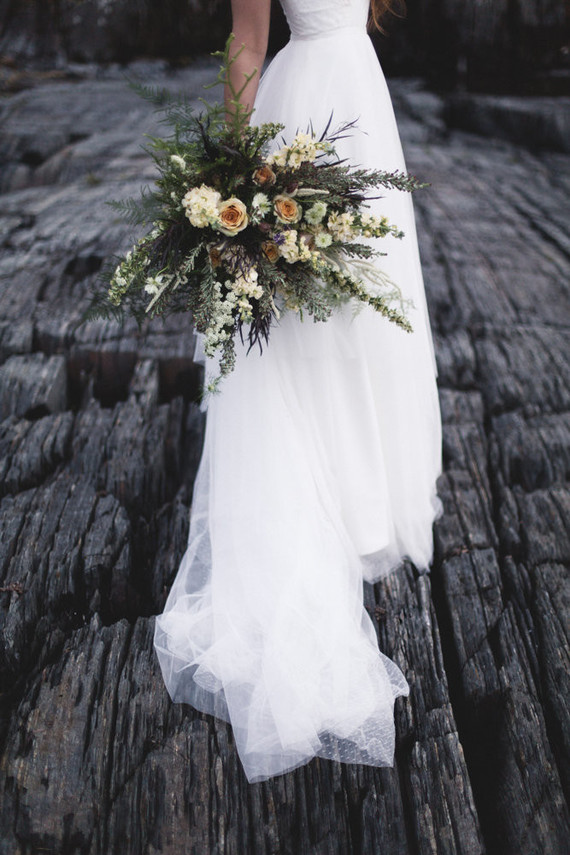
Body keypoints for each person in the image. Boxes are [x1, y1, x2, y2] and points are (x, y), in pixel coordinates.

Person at [153, 0, 443, 784]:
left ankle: (352, 498)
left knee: (363, 317)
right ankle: (302, 512)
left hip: (361, 107)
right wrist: (232, 188)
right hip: (301, 114)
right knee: (296, 329)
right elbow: (247, 43)